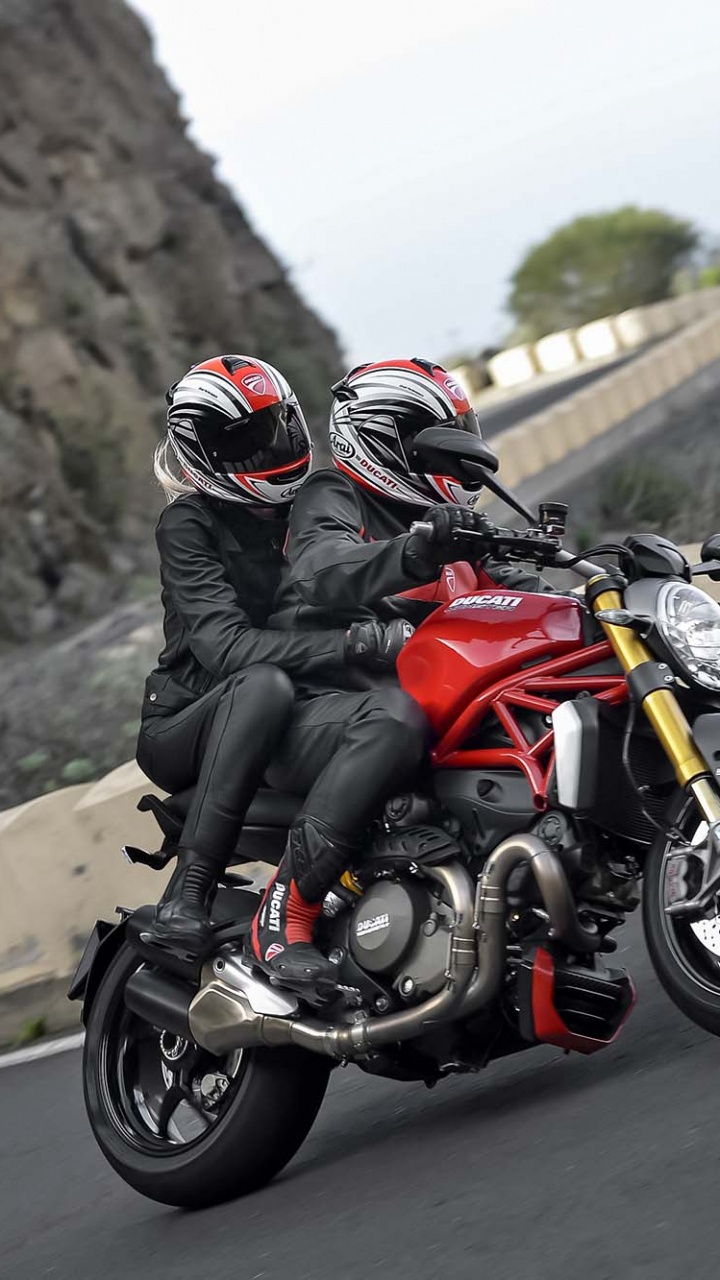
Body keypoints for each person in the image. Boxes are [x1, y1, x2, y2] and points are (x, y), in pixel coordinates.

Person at [136, 353, 404, 957]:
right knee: (262, 683)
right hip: (192, 720)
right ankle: (188, 893)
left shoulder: (308, 504)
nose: (270, 447)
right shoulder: (187, 524)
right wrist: (351, 644)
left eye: (277, 426)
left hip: (282, 712)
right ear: (203, 450)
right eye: (247, 440)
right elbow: (226, 647)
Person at [247, 358, 501, 986]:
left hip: (394, 707)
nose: (456, 451)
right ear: (383, 437)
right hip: (320, 706)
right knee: (394, 720)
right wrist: (415, 551)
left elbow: (514, 592)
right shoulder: (334, 495)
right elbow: (321, 568)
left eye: (461, 431)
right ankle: (287, 910)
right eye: (435, 436)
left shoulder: (456, 533)